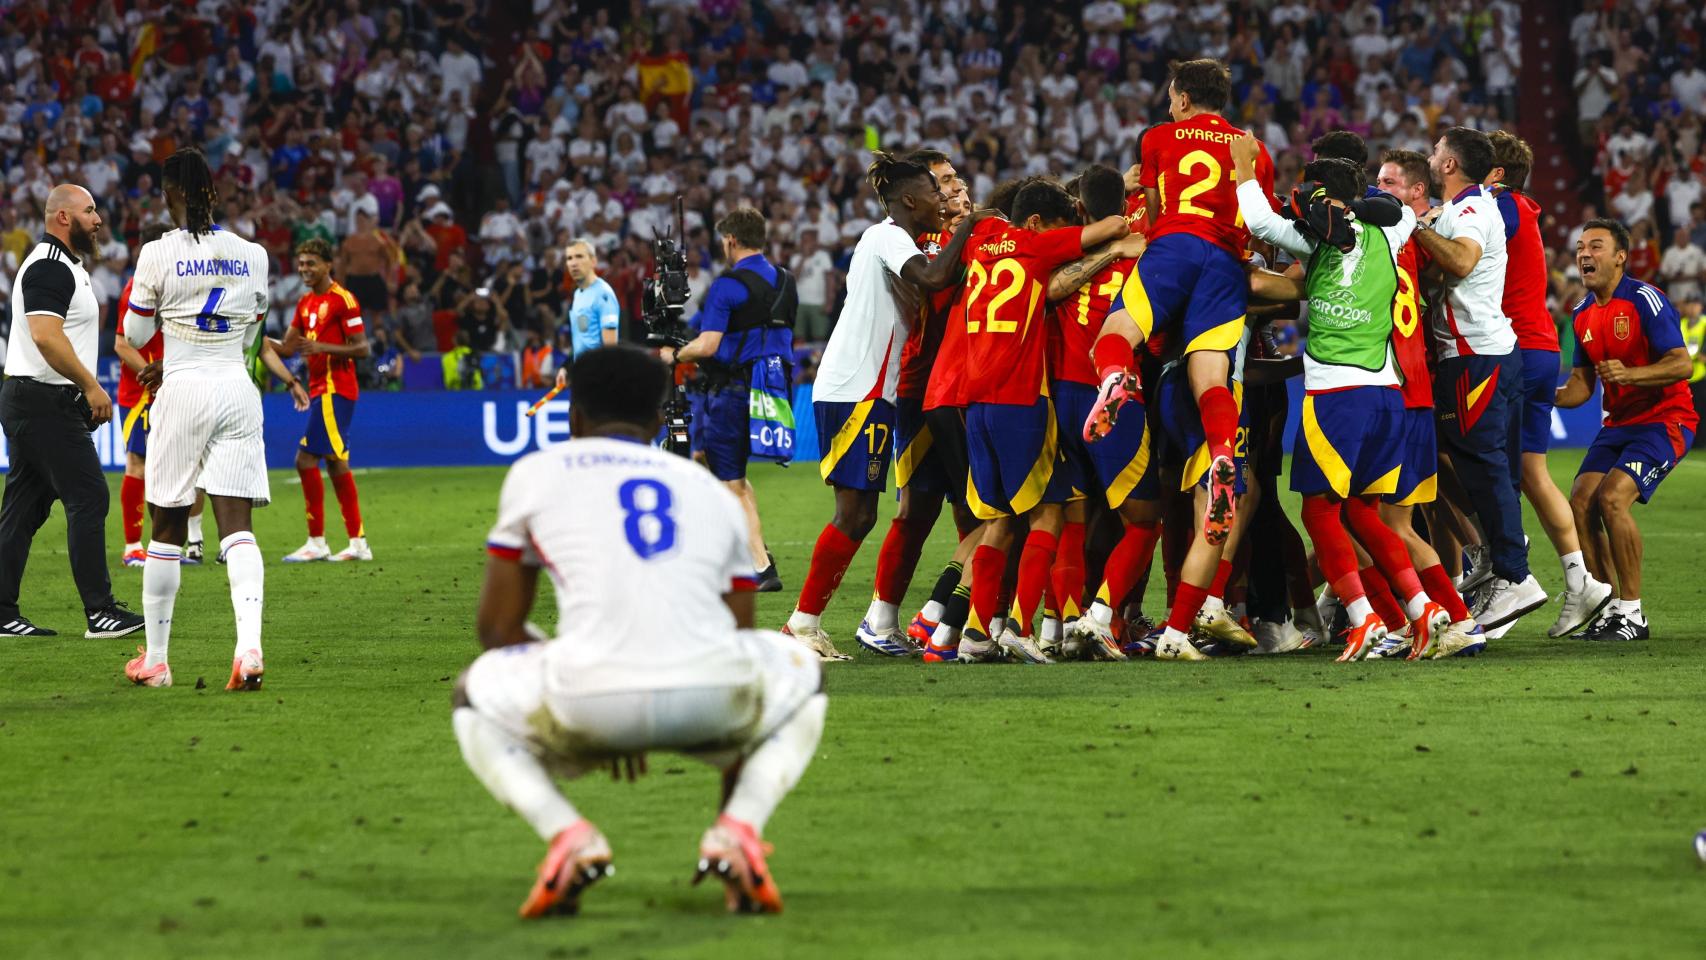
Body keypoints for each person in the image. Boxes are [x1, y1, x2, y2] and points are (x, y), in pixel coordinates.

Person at [451, 344, 825, 917]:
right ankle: (737, 830)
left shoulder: (535, 473)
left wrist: (594, 670)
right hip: (711, 696)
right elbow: (740, 631)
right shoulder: (708, 489)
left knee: (469, 694)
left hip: (586, 696)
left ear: (574, 418)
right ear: (657, 421)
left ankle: (568, 836)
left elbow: (497, 628)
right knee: (801, 673)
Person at [1234, 142, 1469, 662]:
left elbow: (1258, 218)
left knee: (1319, 514)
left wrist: (1243, 165)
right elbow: (1406, 212)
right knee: (1365, 514)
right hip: (1387, 394)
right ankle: (1423, 611)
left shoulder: (1310, 238)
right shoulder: (1394, 230)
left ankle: (1364, 619)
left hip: (1335, 398)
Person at [1085, 59, 1279, 660]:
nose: (1168, 104)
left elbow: (1151, 201)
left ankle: (1115, 376)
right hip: (1225, 263)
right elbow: (1258, 226)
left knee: (1117, 332)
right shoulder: (1255, 148)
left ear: (1185, 97)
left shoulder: (1157, 138)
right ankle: (1225, 456)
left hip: (1172, 246)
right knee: (1212, 376)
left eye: (1171, 95)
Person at [780, 153, 988, 661]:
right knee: (854, 514)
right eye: (935, 194)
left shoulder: (899, 238)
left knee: (863, 513)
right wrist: (973, 225)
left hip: (871, 388)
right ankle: (801, 626)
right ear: (911, 200)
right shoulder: (888, 235)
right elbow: (936, 277)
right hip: (859, 387)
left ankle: (814, 625)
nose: (944, 201)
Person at [120, 148, 309, 689]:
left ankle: (156, 660)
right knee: (238, 528)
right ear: (214, 194)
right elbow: (253, 336)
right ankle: (248, 649)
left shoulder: (157, 252)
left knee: (166, 528)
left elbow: (133, 336)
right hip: (236, 389)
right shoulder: (253, 254)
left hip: (181, 389)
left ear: (169, 195)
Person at [957, 179, 1128, 662]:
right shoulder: (1035, 246)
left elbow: (983, 218)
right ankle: (1020, 626)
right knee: (1050, 512)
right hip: (1021, 400)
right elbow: (1113, 225)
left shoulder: (981, 241)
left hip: (976, 404)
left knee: (997, 520)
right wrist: (1117, 242)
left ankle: (974, 635)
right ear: (1035, 224)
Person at [1412, 127, 1547, 631]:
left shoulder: (1472, 208)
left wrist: (1414, 225)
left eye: (1436, 150)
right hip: (1480, 353)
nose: (1431, 155)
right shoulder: (1458, 210)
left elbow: (1463, 261)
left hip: (1477, 355)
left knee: (1486, 467)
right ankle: (1497, 549)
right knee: (1455, 459)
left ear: (1449, 165)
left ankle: (1514, 574)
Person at [0, 184, 145, 640]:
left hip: (35, 399)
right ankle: (100, 612)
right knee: (89, 496)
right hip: (43, 400)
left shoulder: (67, 266)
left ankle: (2, 611)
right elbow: (45, 335)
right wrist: (89, 384)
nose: (98, 218)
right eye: (89, 210)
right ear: (63, 217)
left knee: (24, 509)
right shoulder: (49, 266)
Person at [1488, 131, 1611, 639]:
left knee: (1484, 466)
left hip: (1515, 347)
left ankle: (1503, 576)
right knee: (1529, 473)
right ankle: (1582, 581)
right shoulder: (1524, 207)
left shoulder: (1501, 206)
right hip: (1537, 345)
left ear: (1492, 172)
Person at [1557, 219, 1698, 641]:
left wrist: (1631, 374)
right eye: (1581, 247)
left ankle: (1633, 613)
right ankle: (1609, 606)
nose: (1585, 254)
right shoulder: (1582, 313)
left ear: (1621, 256)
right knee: (1581, 501)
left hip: (1666, 418)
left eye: (1596, 246)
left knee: (1613, 498)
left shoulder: (1644, 299)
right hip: (1618, 423)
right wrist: (1538, 396)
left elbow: (1682, 364)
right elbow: (1581, 387)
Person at [662, 208, 792, 593]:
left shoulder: (726, 285)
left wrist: (675, 355)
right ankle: (754, 546)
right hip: (771, 389)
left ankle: (760, 567)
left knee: (730, 480)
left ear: (731, 240)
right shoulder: (786, 280)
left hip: (733, 391)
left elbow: (708, 344)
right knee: (715, 465)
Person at [272, 238, 373, 563]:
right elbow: (287, 348)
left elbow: (362, 348)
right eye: (301, 264)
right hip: (320, 391)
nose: (305, 269)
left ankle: (317, 541)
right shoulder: (305, 303)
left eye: (311, 263)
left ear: (328, 265)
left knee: (305, 460)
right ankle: (357, 543)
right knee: (336, 462)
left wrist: (323, 348)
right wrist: (253, 335)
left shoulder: (343, 300)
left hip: (336, 389)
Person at [562, 239, 620, 360]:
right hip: (582, 373)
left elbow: (611, 351)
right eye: (570, 258)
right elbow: (581, 340)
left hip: (597, 375)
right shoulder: (578, 294)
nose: (573, 263)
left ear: (593, 261)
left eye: (579, 256)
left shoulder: (603, 294)